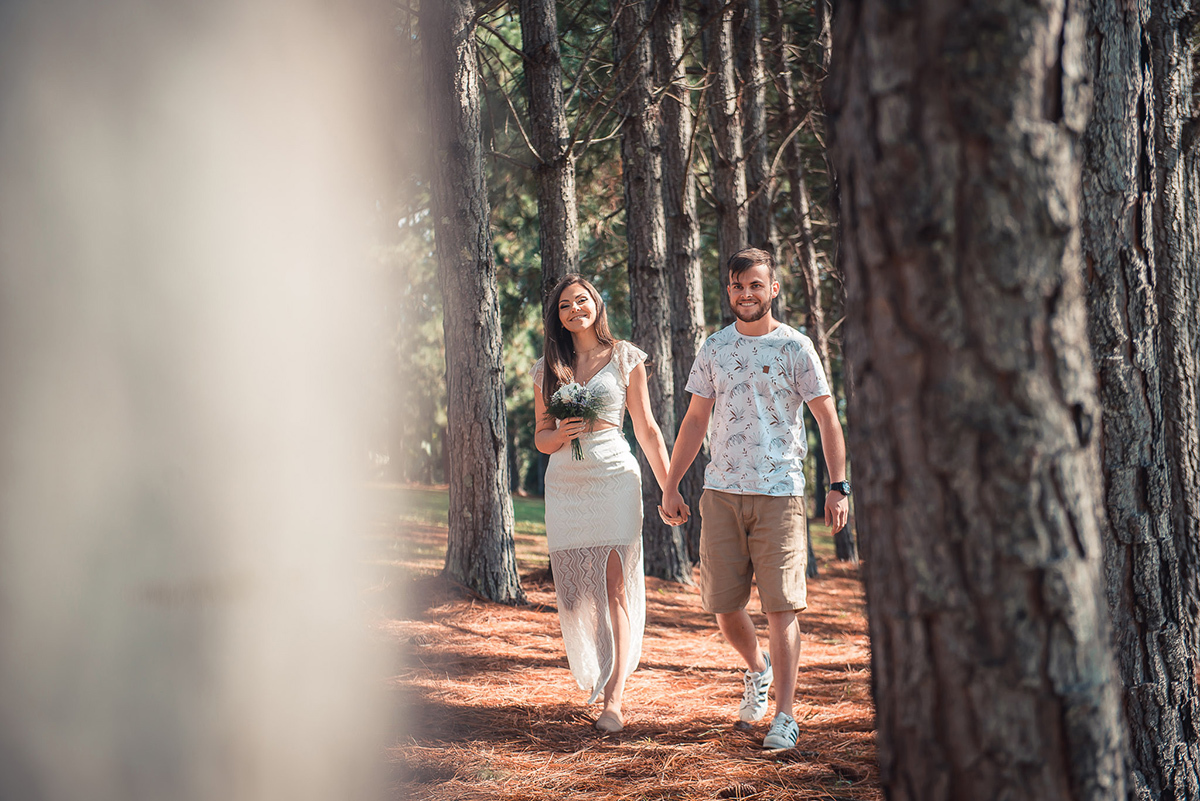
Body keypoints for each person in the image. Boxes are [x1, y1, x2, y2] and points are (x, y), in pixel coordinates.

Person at [659, 247, 850, 751]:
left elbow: (827, 418)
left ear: (773, 289)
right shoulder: (715, 348)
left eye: (756, 285)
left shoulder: (796, 348)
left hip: (779, 494)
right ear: (729, 291)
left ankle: (785, 715)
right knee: (723, 605)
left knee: (782, 608)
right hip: (720, 492)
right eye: (738, 286)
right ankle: (757, 670)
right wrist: (673, 482)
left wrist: (838, 485)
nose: (747, 294)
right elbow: (696, 420)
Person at [532, 274, 677, 734]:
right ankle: (601, 671)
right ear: (558, 317)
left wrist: (669, 487)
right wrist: (559, 434)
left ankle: (615, 698)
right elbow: (540, 436)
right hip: (567, 484)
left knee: (614, 582)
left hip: (614, 474)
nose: (575, 309)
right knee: (581, 593)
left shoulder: (625, 356)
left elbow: (648, 429)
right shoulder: (547, 368)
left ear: (596, 303)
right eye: (565, 306)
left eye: (582, 300)